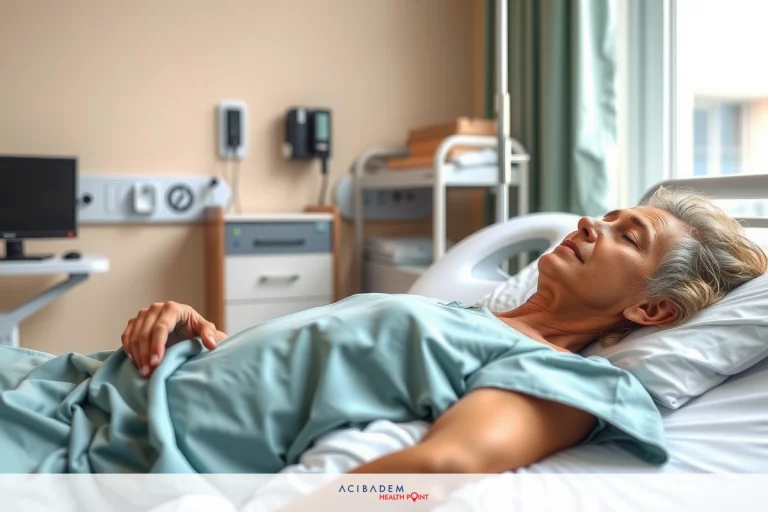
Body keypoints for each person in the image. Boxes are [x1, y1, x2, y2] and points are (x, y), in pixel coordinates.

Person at [0, 187, 765, 474]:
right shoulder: (479, 317)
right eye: (608, 215)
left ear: (652, 313)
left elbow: (442, 465)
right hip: (83, 383)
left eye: (628, 238)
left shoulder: (568, 375)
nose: (592, 226)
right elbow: (297, 371)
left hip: (95, 452)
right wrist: (198, 329)